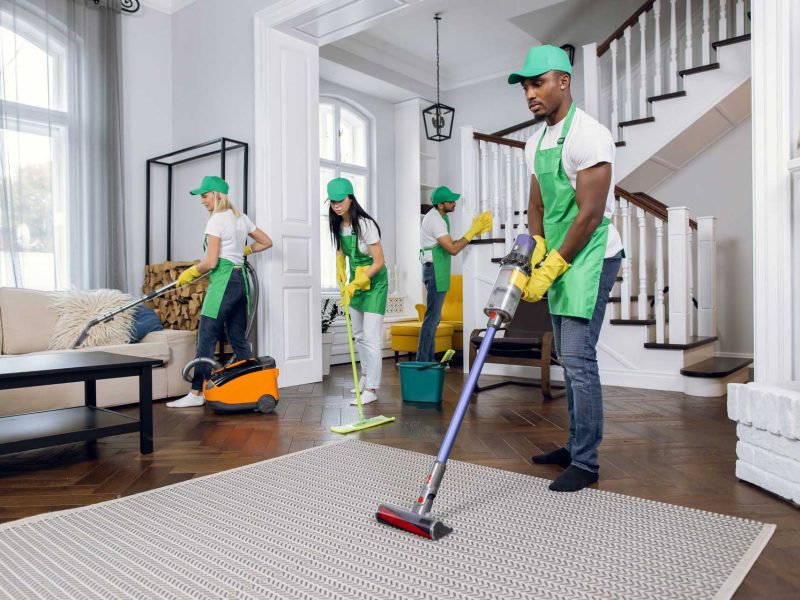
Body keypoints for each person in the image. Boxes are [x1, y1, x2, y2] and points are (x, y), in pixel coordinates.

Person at [509, 45, 624, 491]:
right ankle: (574, 445)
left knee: (578, 357)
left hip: (591, 252)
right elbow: (536, 203)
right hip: (558, 254)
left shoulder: (590, 135)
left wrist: (556, 263)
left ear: (563, 81)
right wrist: (536, 245)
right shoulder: (534, 141)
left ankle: (587, 462)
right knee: (568, 356)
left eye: (537, 83)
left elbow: (590, 214)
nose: (529, 94)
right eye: (525, 87)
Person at [166, 175, 273, 408]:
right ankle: (255, 387)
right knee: (238, 339)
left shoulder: (216, 220)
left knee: (206, 337)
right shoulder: (240, 217)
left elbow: (211, 262)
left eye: (204, 196)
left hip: (223, 282)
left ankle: (195, 394)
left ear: (216, 194)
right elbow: (266, 242)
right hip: (241, 282)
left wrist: (191, 272)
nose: (202, 201)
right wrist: (244, 249)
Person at [328, 178, 388, 405]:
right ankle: (364, 377)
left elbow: (379, 262)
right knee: (360, 336)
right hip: (355, 284)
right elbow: (341, 252)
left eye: (340, 201)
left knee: (371, 338)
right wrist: (341, 274)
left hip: (374, 285)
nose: (337, 206)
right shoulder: (338, 224)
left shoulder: (365, 224)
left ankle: (372, 389)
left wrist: (355, 283)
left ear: (351, 198)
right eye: (333, 202)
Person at [416, 186, 492, 362]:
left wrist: (472, 233)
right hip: (434, 271)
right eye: (450, 201)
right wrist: (471, 232)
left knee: (433, 319)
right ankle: (423, 361)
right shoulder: (435, 220)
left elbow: (451, 243)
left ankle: (427, 360)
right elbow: (453, 249)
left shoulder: (440, 217)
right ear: (440, 204)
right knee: (432, 319)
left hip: (436, 269)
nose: (454, 203)